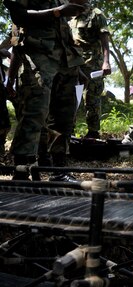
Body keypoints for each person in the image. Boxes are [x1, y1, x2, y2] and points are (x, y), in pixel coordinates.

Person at [4, 0, 86, 180]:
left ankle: (59, 170)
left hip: (66, 62)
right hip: (38, 59)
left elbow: (63, 33)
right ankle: (21, 171)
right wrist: (58, 11)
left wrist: (77, 68)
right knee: (34, 114)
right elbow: (18, 18)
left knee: (65, 116)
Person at [69, 0, 111, 139]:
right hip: (73, 64)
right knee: (71, 99)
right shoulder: (69, 15)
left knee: (92, 100)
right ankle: (69, 133)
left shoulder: (96, 15)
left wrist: (106, 62)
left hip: (92, 65)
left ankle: (93, 133)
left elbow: (105, 41)